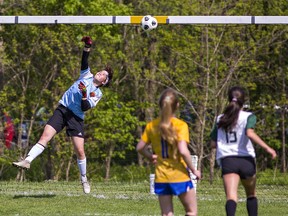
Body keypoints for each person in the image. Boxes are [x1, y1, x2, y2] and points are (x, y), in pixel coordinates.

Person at [12, 36, 113, 194]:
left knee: (80, 151)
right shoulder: (86, 75)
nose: (99, 73)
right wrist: (87, 46)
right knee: (44, 137)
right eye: (100, 72)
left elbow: (85, 107)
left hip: (76, 118)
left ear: (104, 82)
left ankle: (84, 179)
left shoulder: (98, 93)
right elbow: (84, 60)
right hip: (63, 110)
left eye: (103, 75)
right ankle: (27, 160)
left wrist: (85, 93)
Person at [210, 86, 277, 216]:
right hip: (246, 160)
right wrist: (268, 148)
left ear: (228, 99)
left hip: (228, 160)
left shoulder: (220, 119)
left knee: (231, 197)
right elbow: (250, 133)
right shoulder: (248, 116)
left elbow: (213, 144)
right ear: (244, 101)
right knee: (251, 195)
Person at [136, 88, 201, 216]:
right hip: (180, 175)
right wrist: (194, 170)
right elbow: (183, 150)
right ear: (177, 105)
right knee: (191, 211)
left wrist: (150, 156)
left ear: (160, 105)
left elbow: (140, 148)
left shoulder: (151, 126)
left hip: (161, 176)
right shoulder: (180, 125)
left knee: (166, 214)